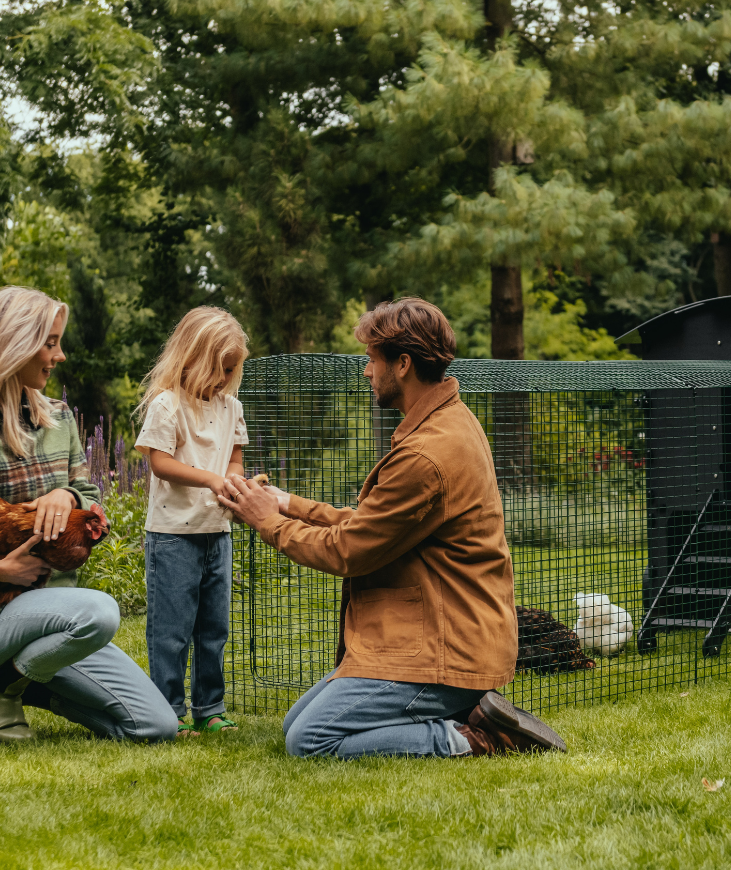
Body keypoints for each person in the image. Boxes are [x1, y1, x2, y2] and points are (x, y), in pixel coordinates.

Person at [219, 298, 566, 758]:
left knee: (310, 739)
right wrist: (287, 504)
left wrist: (268, 521)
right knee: (293, 722)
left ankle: (473, 737)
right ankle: (466, 711)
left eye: (371, 359)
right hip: (449, 636)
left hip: (448, 649)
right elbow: (374, 525)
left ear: (402, 364)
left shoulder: (426, 454)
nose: (366, 371)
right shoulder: (448, 422)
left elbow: (348, 549)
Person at [0, 285, 176, 745]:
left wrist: (66, 496)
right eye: (50, 343)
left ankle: (18, 684)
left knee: (155, 726)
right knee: (100, 613)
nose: (59, 355)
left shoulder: (59, 419)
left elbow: (89, 493)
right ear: (16, 345)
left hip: (55, 615)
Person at [133, 306, 250, 736]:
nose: (224, 378)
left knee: (213, 629)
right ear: (192, 357)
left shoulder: (231, 407)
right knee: (171, 630)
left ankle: (209, 708)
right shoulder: (167, 405)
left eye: (231, 369)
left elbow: (234, 460)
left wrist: (234, 482)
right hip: (172, 535)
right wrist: (211, 479)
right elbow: (160, 463)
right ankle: (168, 710)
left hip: (217, 531)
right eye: (219, 368)